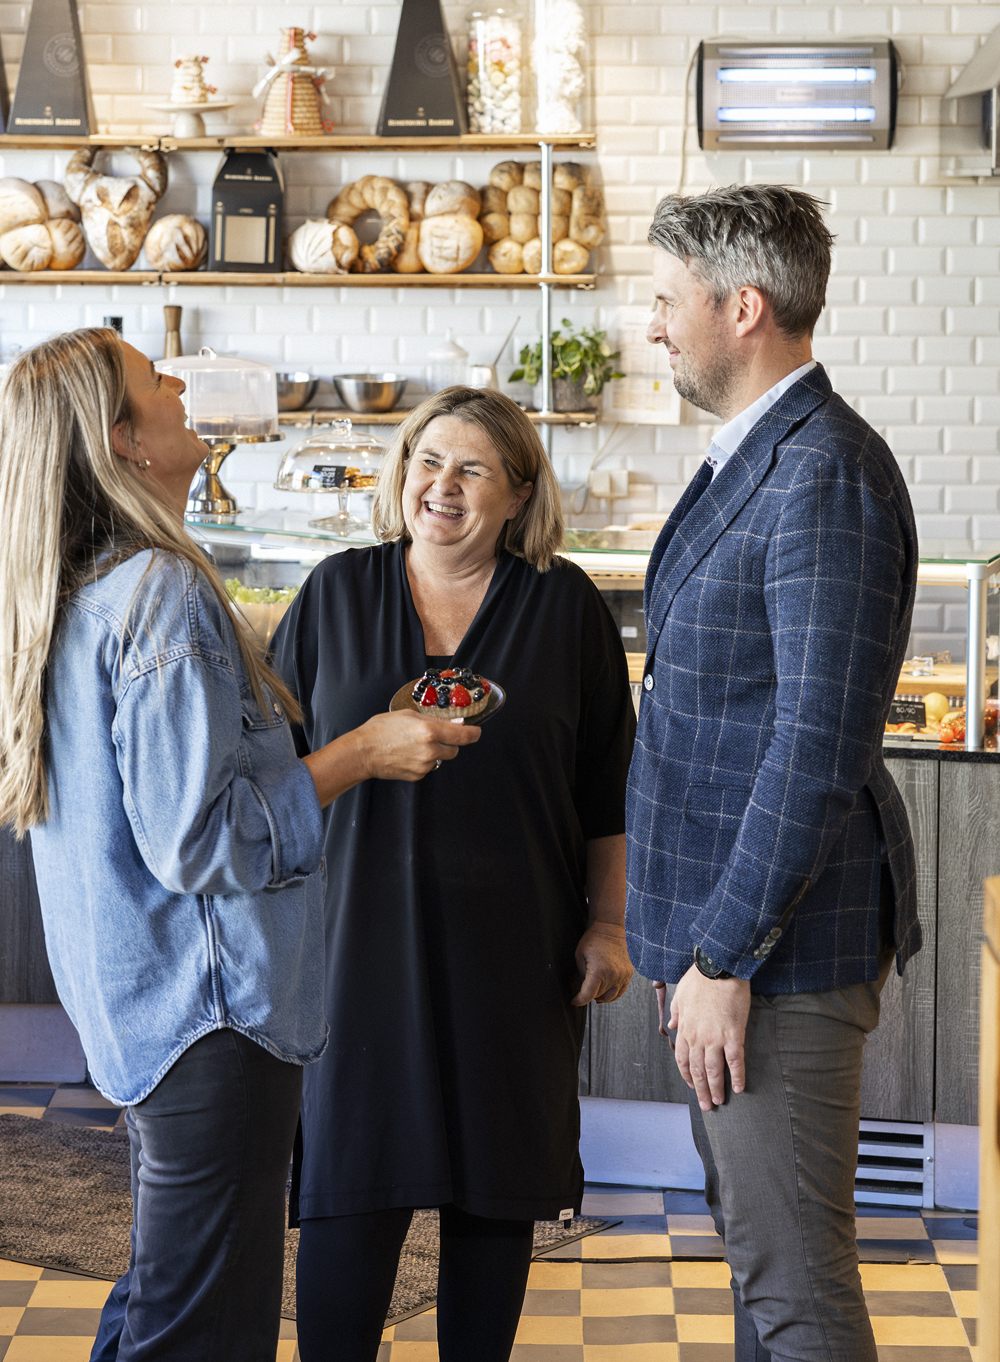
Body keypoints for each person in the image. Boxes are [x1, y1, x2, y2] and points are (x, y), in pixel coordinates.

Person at [0, 327, 480, 1362]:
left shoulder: (78, 590)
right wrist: (357, 752)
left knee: (169, 1294)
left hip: (144, 1008)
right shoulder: (159, 593)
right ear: (122, 441)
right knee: (206, 1328)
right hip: (215, 1019)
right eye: (158, 380)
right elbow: (204, 841)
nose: (183, 383)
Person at [269, 386, 637, 1361]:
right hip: (354, 964)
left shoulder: (566, 612)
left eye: (472, 467)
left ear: (518, 492)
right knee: (344, 1222)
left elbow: (610, 795)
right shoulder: (335, 595)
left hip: (513, 972)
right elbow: (270, 779)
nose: (442, 484)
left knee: (491, 1219)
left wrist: (609, 926)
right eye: (428, 459)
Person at [627, 185, 922, 1361]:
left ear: (741, 305)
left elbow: (815, 747)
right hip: (731, 941)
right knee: (763, 1269)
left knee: (796, 1288)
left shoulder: (822, 470)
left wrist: (721, 953)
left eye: (664, 300)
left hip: (777, 954)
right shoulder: (760, 452)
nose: (653, 326)